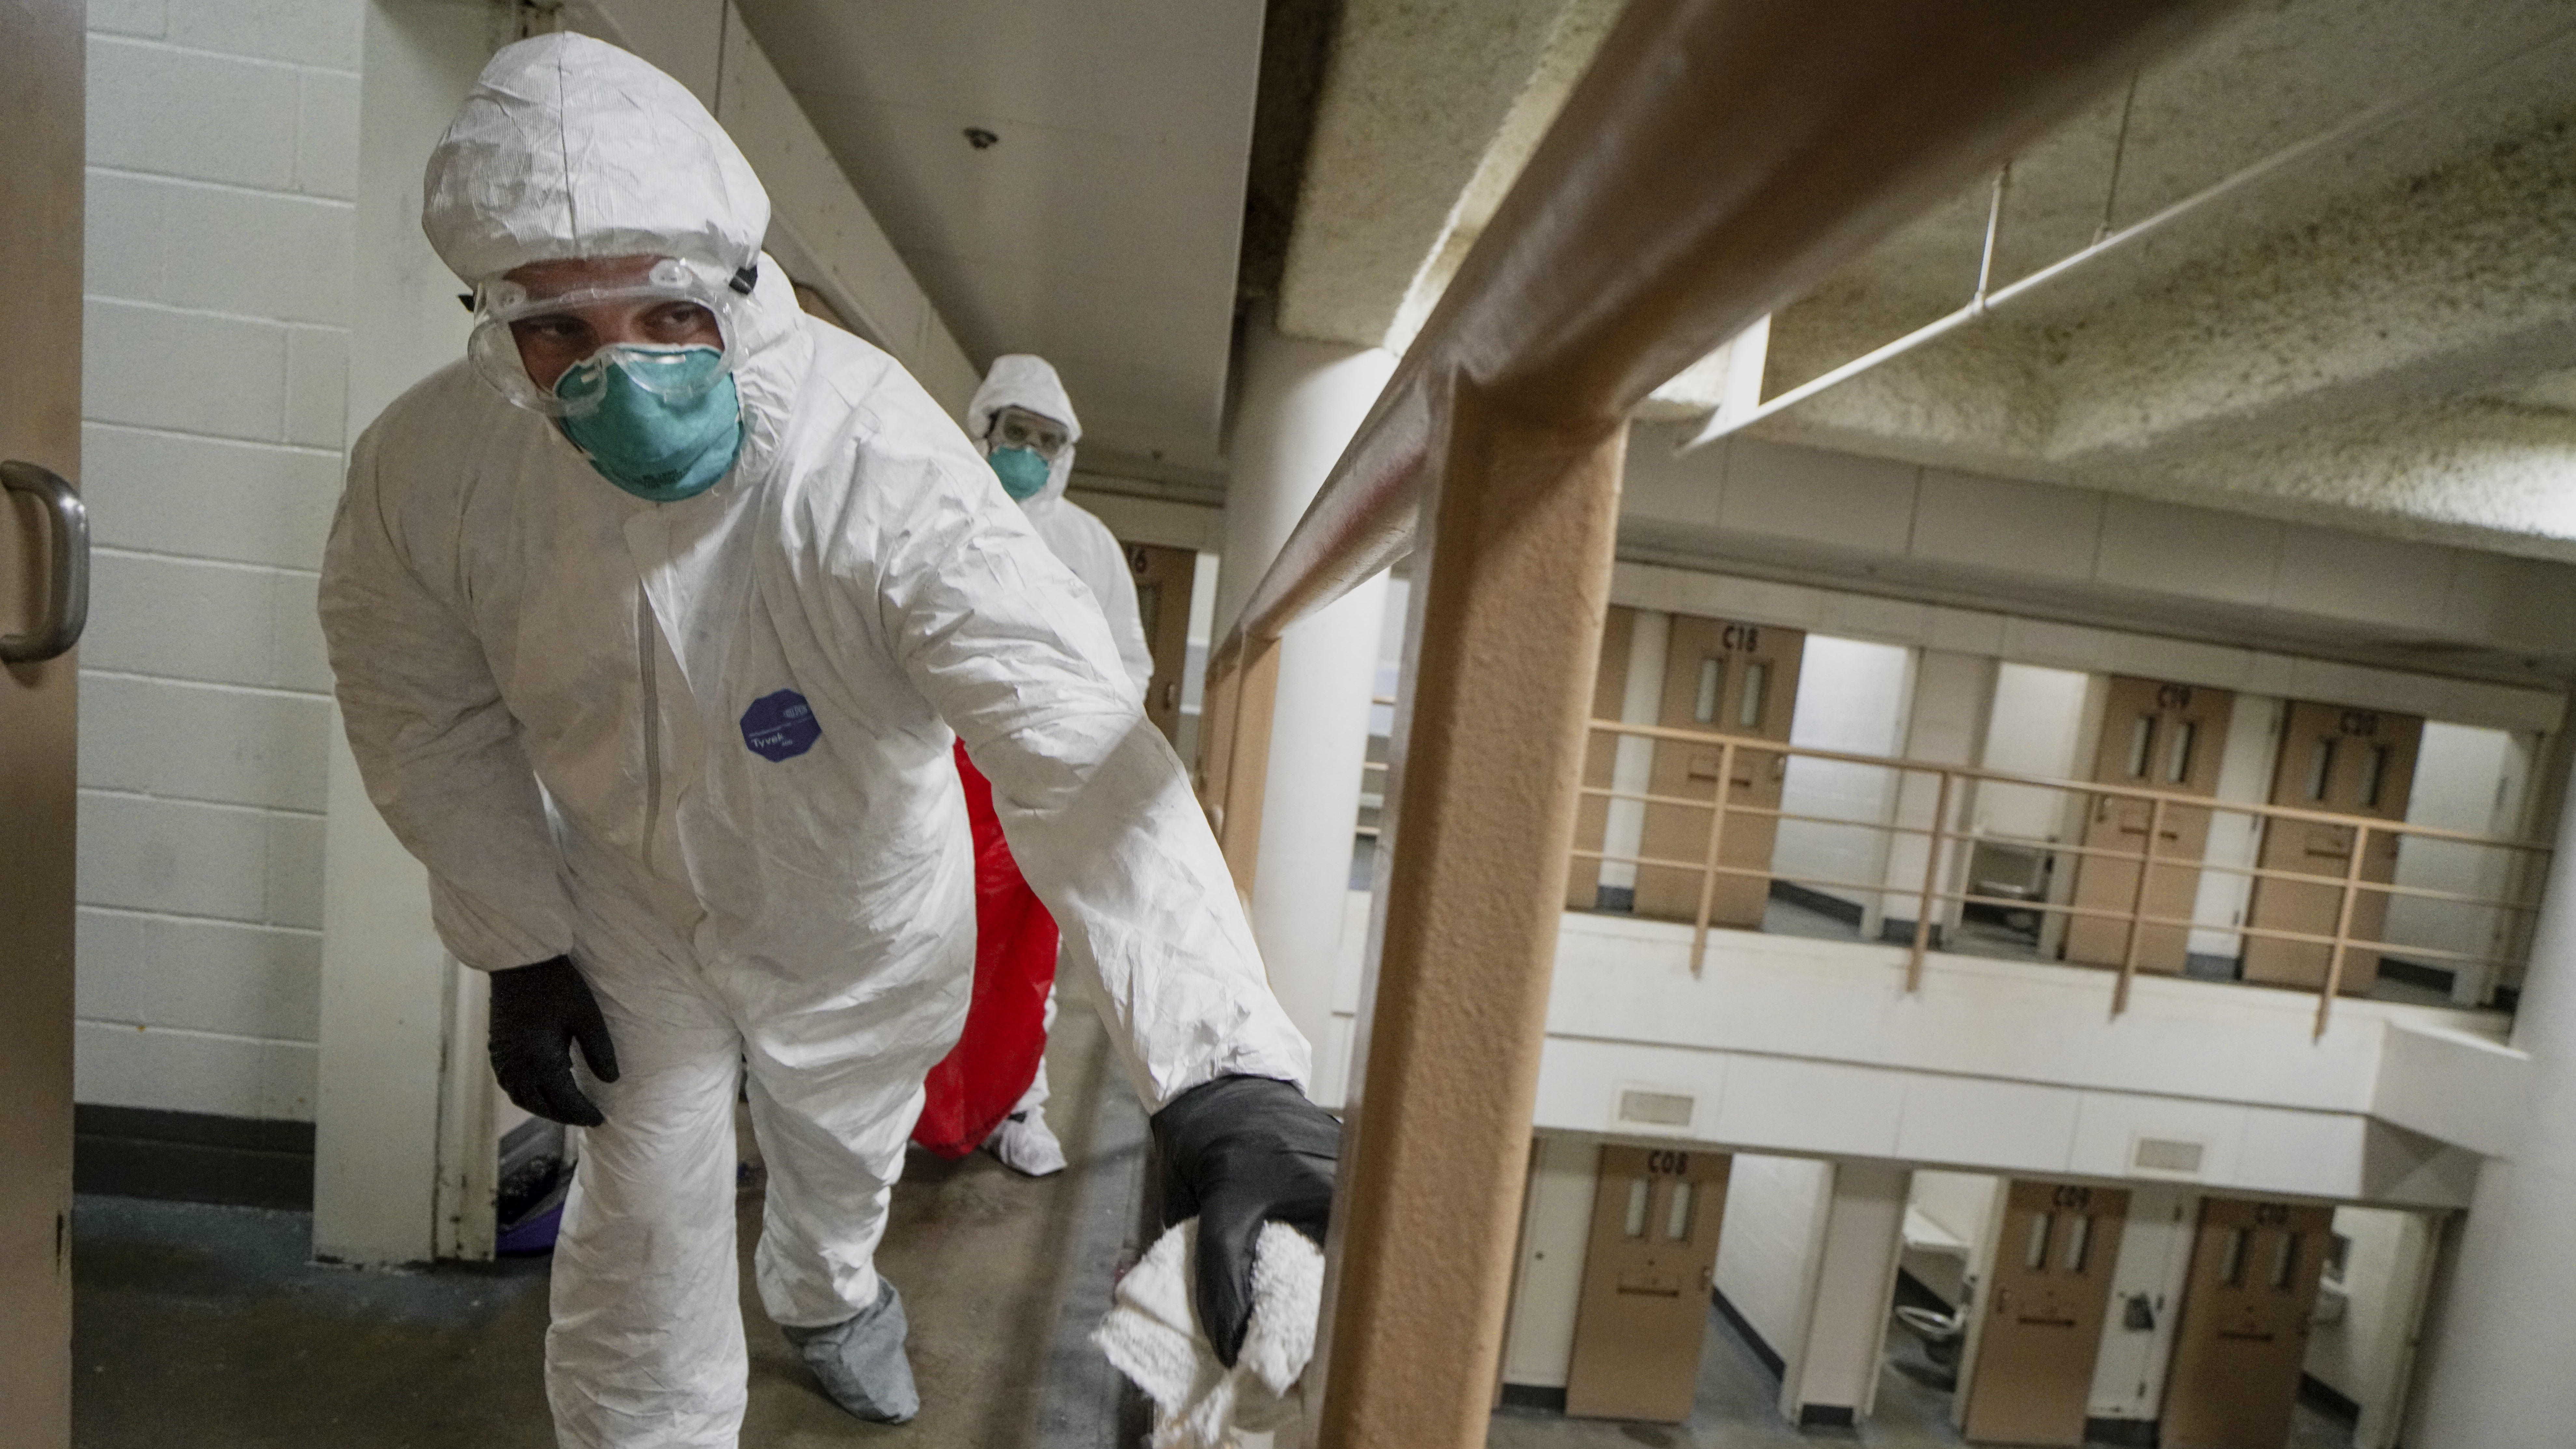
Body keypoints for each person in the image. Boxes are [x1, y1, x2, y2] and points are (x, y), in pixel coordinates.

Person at [318, 32, 1337, 1446]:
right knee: (642, 1211)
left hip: (857, 913)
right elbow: (412, 698)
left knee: (836, 1165)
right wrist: (515, 934)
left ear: (740, 285)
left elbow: (1075, 752)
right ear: (493, 324)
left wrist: (1227, 1072)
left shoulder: (878, 466)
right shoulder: (437, 467)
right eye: (555, 329)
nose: (612, 371)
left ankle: (827, 1296)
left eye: (663, 315)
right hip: (629, 903)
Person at [947, 354, 1156, 1178]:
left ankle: (1015, 1107)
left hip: (1036, 776)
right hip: (937, 770)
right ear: (984, 430)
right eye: (1016, 434)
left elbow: (1129, 662)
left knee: (1022, 957)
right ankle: (893, 1112)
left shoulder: (1087, 545)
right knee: (912, 940)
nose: (1028, 452)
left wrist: (1087, 742)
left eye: (1045, 439)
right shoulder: (941, 510)